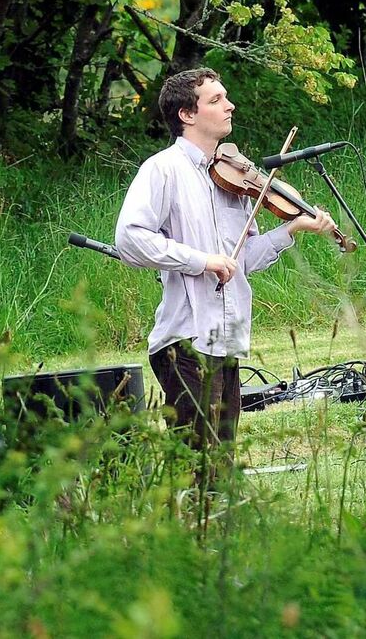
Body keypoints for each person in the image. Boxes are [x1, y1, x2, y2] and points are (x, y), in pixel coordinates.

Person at [114, 67, 336, 484]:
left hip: (226, 337)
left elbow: (242, 260)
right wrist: (201, 260)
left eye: (225, 96)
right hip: (185, 338)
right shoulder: (163, 169)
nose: (229, 105)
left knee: (223, 465)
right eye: (215, 100)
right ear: (187, 115)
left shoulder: (233, 174)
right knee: (198, 466)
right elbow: (129, 239)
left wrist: (291, 229)